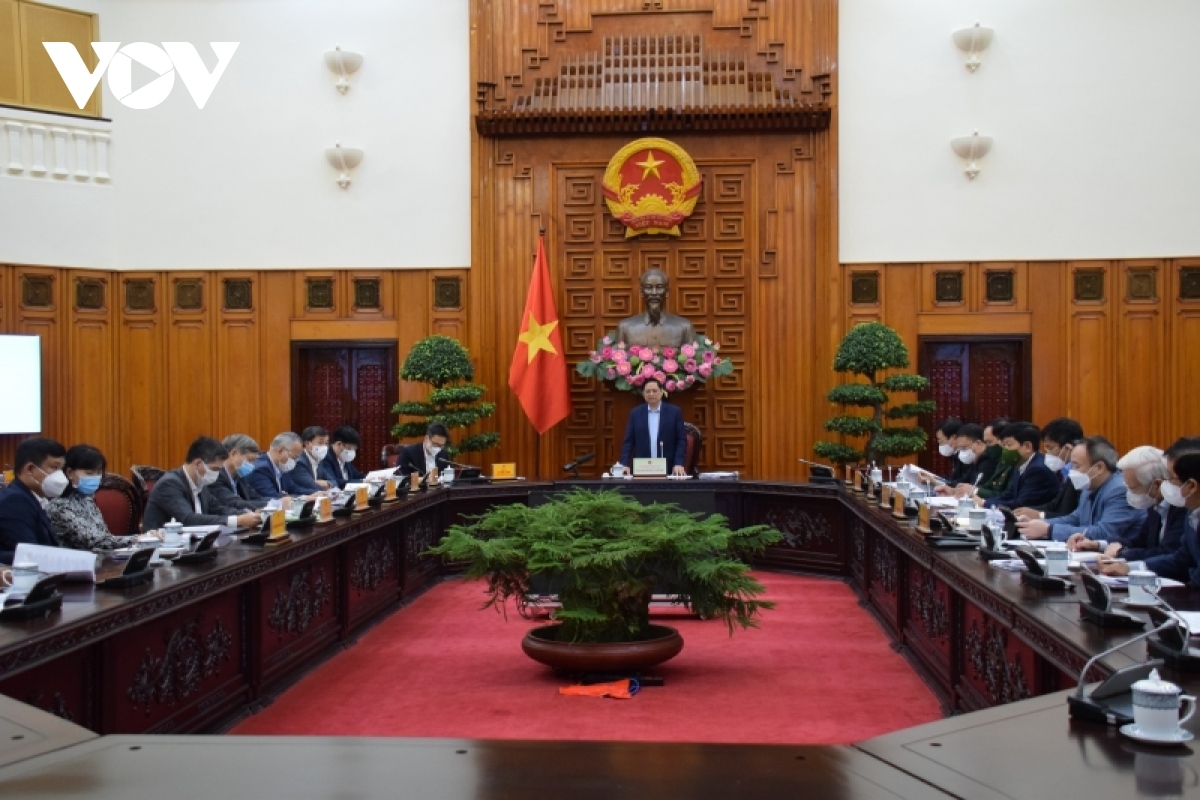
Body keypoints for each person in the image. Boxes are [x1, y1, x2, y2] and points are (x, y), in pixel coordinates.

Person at [1017, 435, 1144, 546]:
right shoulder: (1089, 487)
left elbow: (1104, 532)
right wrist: (1036, 523)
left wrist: (1049, 529)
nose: (1072, 471)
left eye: (1077, 465)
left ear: (1099, 467)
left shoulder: (1119, 490)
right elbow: (1074, 519)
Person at [1100, 449, 1200, 588]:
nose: (1167, 484)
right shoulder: (1191, 513)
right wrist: (1131, 568)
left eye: (1171, 479)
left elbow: (1172, 553)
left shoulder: (1183, 509)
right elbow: (1181, 558)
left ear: (1192, 486)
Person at [1091, 442, 1191, 561]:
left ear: (1156, 485)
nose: (1128, 493)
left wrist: (1122, 553)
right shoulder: (1155, 506)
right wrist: (1098, 544)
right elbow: (1139, 542)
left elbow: (1168, 551)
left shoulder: (1182, 507)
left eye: (1132, 488)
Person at [143, 437, 262, 532]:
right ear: (198, 463)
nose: (216, 474)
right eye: (214, 469)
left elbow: (219, 509)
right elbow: (189, 519)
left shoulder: (201, 483)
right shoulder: (170, 484)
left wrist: (247, 514)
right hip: (161, 550)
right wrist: (237, 520)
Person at [45, 444, 138, 552]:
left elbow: (104, 536)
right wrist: (138, 539)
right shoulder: (59, 506)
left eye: (98, 473)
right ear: (70, 472)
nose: (95, 477)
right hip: (75, 565)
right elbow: (94, 541)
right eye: (89, 473)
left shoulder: (87, 499)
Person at [0, 437, 66, 563]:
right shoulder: (14, 501)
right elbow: (30, 554)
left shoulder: (33, 498)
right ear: (30, 469)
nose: (60, 475)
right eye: (54, 467)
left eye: (61, 469)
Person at [1012, 417, 1084, 520]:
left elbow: (1072, 515)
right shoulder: (1062, 472)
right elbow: (1055, 505)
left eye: (1050, 448)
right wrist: (1031, 511)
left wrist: (1040, 515)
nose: (1047, 453)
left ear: (1068, 448)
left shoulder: (1080, 475)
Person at [980, 423, 1059, 510]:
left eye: (1009, 445)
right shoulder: (1020, 465)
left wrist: (984, 503)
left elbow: (1021, 504)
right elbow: (1007, 496)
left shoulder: (1038, 469)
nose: (1005, 450)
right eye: (1004, 446)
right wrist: (982, 501)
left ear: (1027, 446)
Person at [613, 268, 698, 349]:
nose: (654, 293)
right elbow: (615, 360)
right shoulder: (625, 327)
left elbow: (695, 361)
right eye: (649, 287)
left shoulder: (684, 327)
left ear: (667, 292)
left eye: (659, 287)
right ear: (642, 292)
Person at [620, 378, 688, 476]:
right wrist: (625, 464)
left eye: (654, 391)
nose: (651, 394)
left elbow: (681, 440)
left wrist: (678, 463)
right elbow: (628, 441)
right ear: (643, 394)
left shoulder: (674, 412)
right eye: (648, 391)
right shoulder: (635, 413)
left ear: (661, 392)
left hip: (669, 469)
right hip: (642, 469)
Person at [211, 434, 270, 511]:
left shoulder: (240, 476)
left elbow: (257, 498)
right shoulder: (216, 476)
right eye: (249, 460)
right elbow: (234, 503)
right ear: (233, 454)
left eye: (254, 461)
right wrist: (274, 504)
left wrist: (278, 502)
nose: (252, 465)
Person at [937, 423, 996, 494]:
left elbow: (977, 488)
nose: (961, 452)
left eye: (964, 448)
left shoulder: (988, 461)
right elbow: (962, 482)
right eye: (960, 448)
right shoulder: (975, 461)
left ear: (978, 443)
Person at [246, 432, 305, 500]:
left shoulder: (282, 466)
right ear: (280, 451)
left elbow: (294, 489)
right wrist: (302, 498)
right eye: (294, 458)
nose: (295, 462)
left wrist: (315, 495)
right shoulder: (261, 469)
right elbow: (272, 497)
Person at [289, 426, 331, 493]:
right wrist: (328, 490)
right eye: (320, 443)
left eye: (326, 443)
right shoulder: (299, 462)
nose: (324, 447)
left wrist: (328, 484)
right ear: (307, 444)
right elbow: (311, 486)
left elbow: (334, 481)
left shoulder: (319, 459)